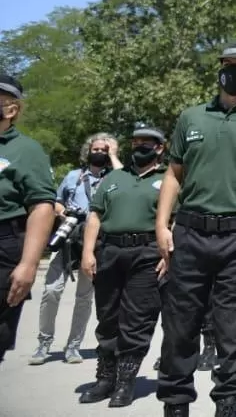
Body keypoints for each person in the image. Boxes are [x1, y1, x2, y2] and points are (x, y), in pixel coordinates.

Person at [155, 43, 236, 417]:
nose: (233, 71)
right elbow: (173, 175)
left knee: (233, 332)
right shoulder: (191, 118)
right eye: (228, 64)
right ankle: (176, 404)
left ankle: (228, 405)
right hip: (190, 234)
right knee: (179, 328)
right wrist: (161, 225)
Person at [78, 126, 169, 406]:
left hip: (147, 253)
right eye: (136, 142)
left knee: (137, 319)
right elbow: (95, 215)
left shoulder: (168, 179)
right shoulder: (114, 177)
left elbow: (176, 221)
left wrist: (169, 254)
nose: (140, 146)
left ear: (160, 148)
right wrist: (87, 252)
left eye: (147, 143)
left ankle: (125, 382)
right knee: (107, 316)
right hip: (110, 251)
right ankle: (105, 378)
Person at [30, 131, 121, 364]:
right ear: (87, 151)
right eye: (95, 149)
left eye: (104, 150)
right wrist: (63, 213)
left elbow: (124, 181)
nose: (99, 153)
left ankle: (73, 346)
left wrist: (113, 155)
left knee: (84, 296)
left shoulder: (115, 177)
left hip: (95, 241)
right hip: (69, 238)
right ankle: (44, 342)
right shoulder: (73, 176)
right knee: (52, 290)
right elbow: (57, 202)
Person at [0, 72, 57, 367]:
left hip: (5, 244)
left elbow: (42, 207)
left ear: (11, 109)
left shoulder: (26, 150)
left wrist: (29, 264)